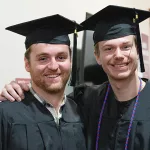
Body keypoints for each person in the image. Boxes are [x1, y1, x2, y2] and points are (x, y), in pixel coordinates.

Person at [1, 5, 150, 150]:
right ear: (97, 56)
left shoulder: (77, 109)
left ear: (138, 50)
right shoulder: (88, 101)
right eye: (43, 58)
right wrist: (14, 90)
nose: (118, 55)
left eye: (126, 47)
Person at [0, 14, 86, 150]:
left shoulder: (80, 111)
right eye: (43, 58)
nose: (53, 66)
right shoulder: (6, 114)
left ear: (70, 61)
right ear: (27, 64)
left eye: (61, 57)